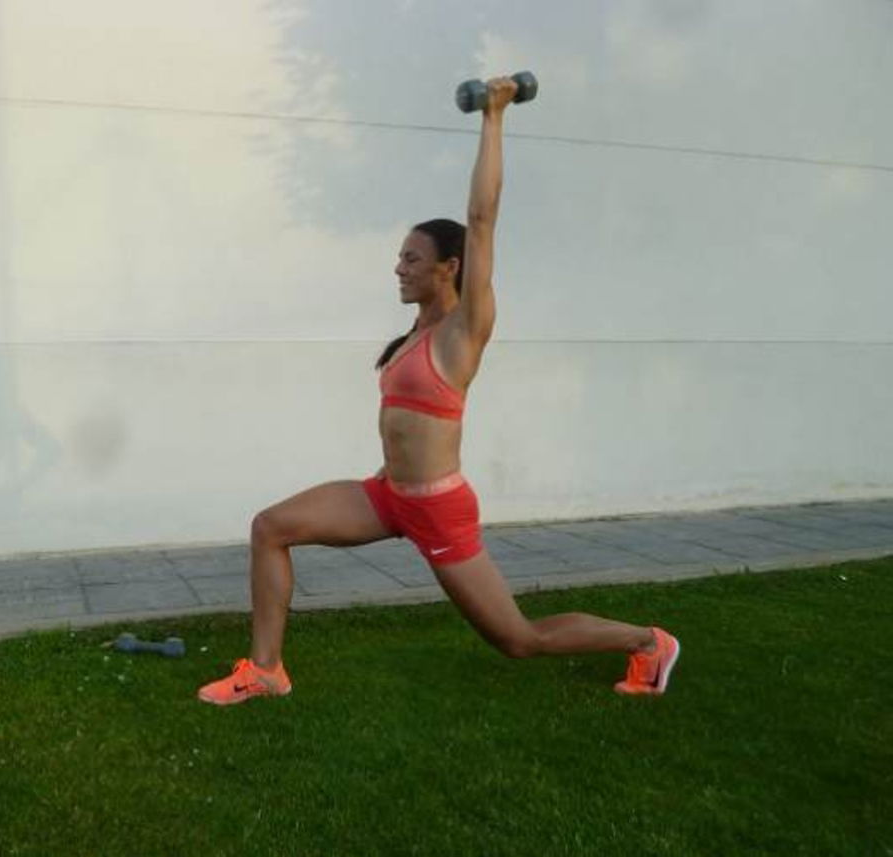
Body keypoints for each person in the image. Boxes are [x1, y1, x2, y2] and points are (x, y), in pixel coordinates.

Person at [198, 76, 679, 706]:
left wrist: (494, 116)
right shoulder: (412, 335)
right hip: (388, 495)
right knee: (271, 527)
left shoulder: (463, 330)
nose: (399, 268)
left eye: (412, 259)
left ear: (449, 267)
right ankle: (265, 671)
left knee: (518, 639)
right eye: (399, 257)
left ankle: (648, 642)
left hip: (438, 509)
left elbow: (482, 219)